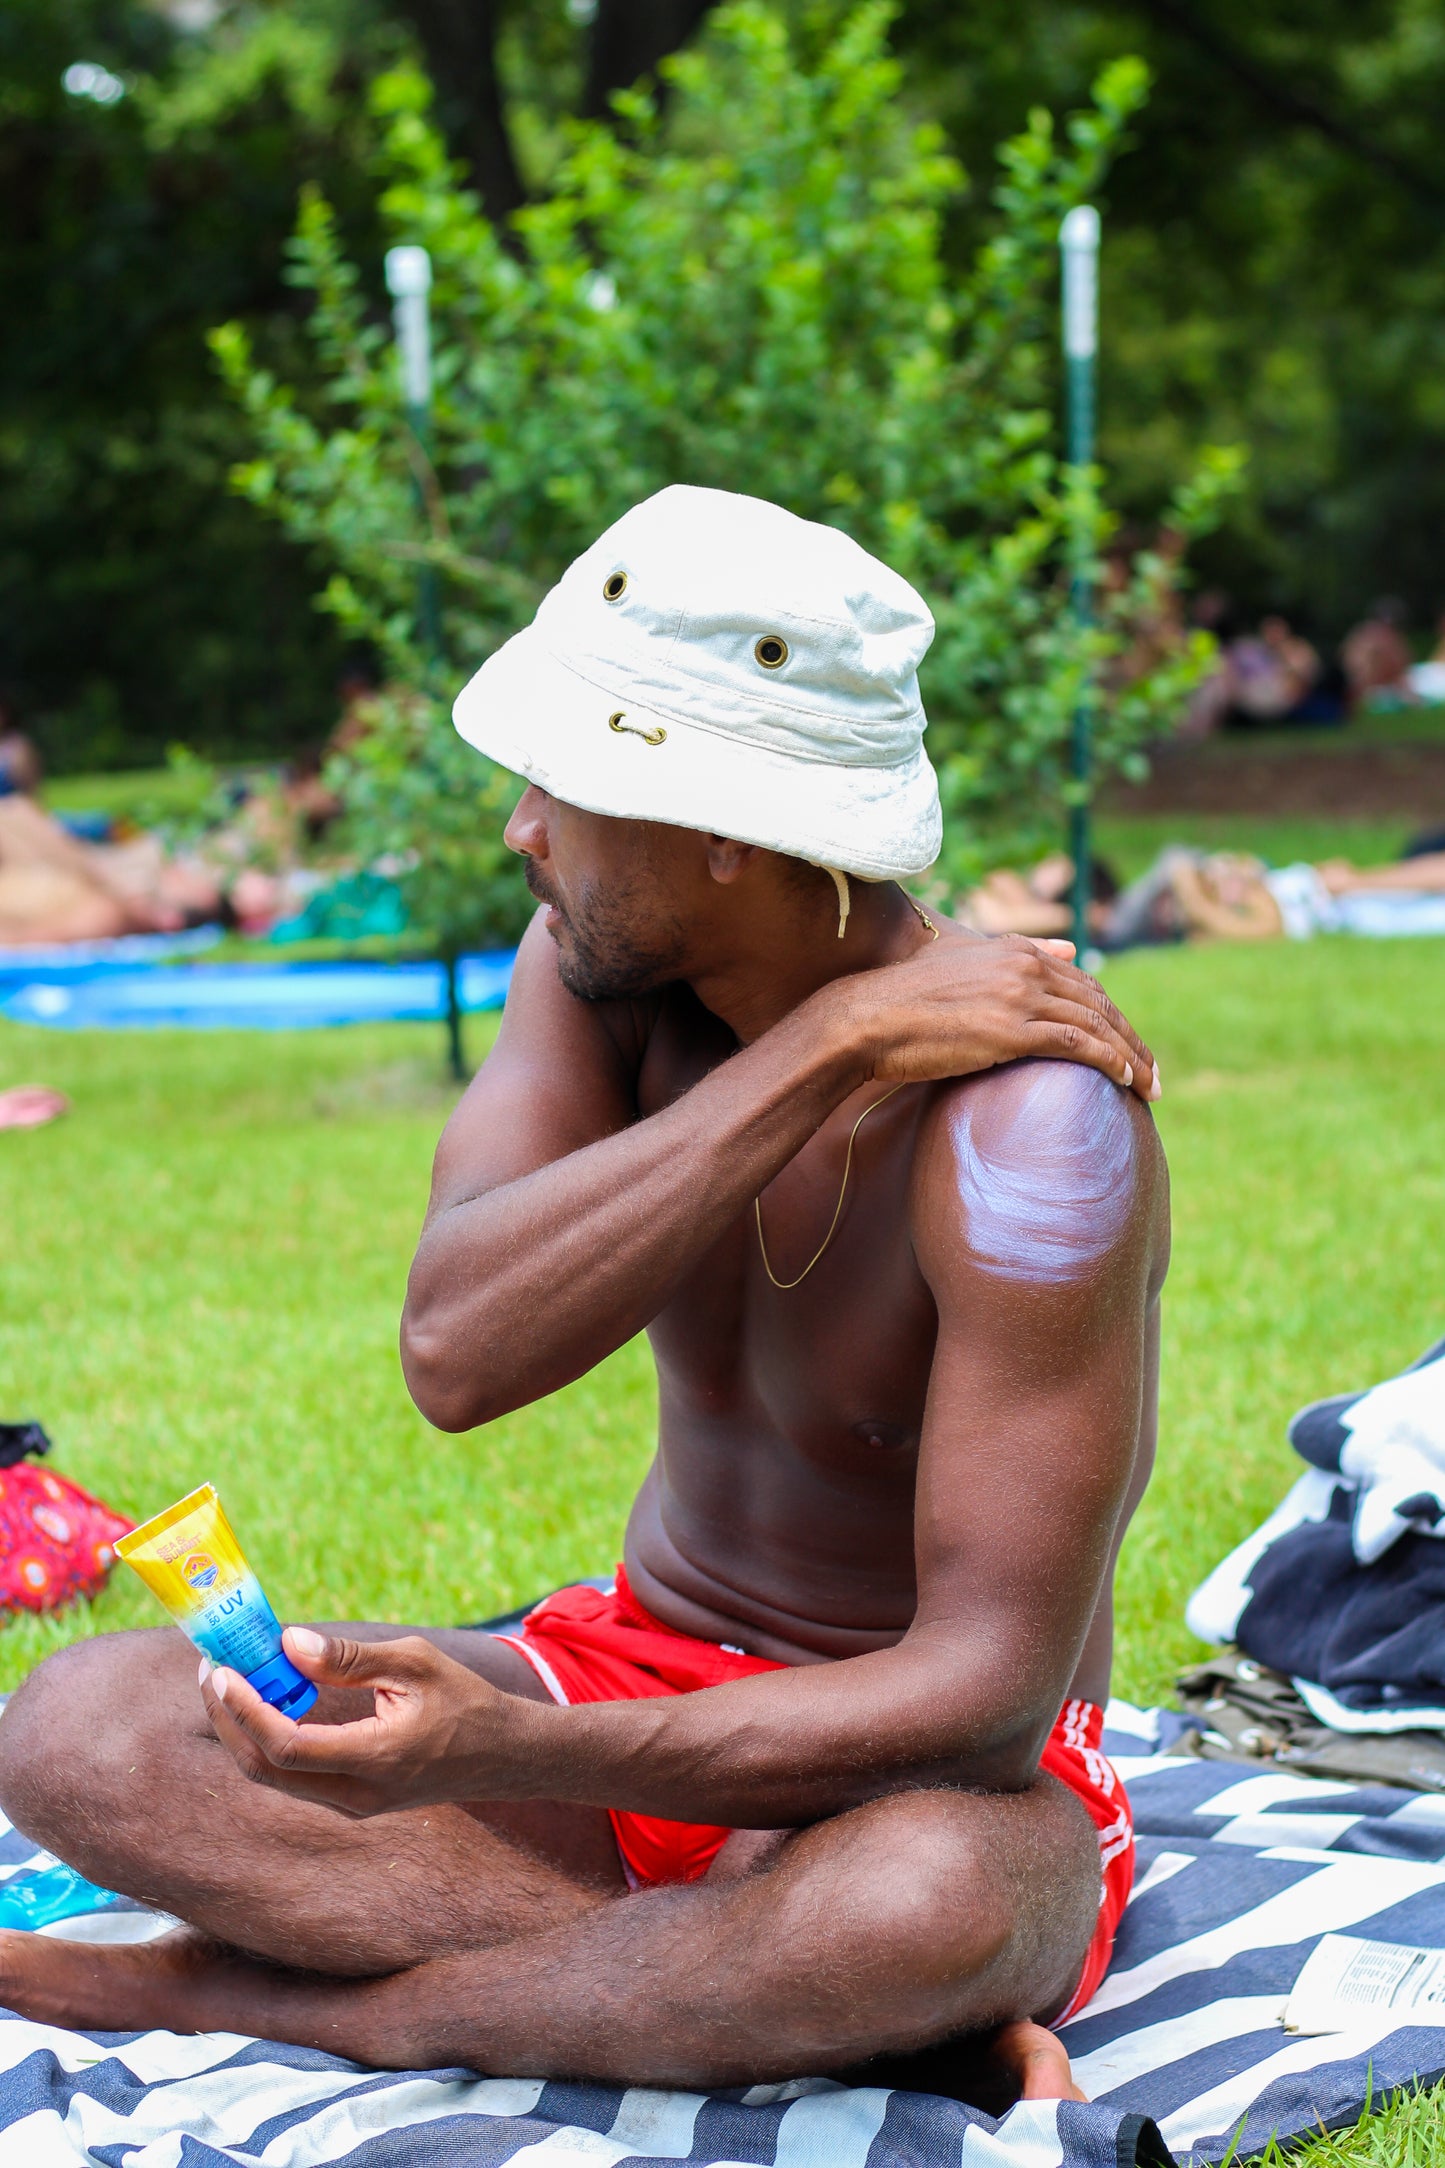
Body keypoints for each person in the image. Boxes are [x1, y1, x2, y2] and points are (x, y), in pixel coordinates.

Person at [0, 487, 1168, 2100]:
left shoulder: (1037, 1130)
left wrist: (508, 1757)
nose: (519, 830)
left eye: (564, 785)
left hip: (920, 1780)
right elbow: (456, 1352)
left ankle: (295, 2003)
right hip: (626, 1672)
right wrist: (824, 1046)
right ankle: (723, 1989)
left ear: (726, 834)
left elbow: (982, 1702)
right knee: (80, 1724)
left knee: (916, 1908)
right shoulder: (604, 971)